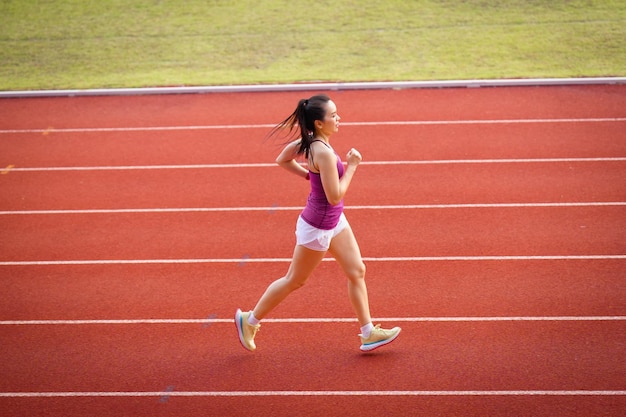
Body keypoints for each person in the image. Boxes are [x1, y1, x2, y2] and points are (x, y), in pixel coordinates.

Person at [235, 94, 400, 352]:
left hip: (335, 222)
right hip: (318, 227)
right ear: (319, 123)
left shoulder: (310, 142)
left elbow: (282, 159)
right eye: (333, 115)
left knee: (357, 270)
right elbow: (334, 196)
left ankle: (368, 332)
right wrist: (353, 166)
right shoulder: (322, 152)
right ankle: (250, 320)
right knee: (295, 280)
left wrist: (310, 178)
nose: (338, 118)